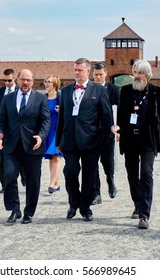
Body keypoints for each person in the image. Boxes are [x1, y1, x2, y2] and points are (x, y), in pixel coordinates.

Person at [55, 58, 112, 222]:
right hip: (70, 140)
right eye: (75, 70)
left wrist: (104, 140)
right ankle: (74, 202)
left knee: (89, 175)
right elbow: (61, 119)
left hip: (91, 140)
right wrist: (59, 141)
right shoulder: (65, 91)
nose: (77, 73)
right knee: (70, 171)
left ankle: (85, 207)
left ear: (88, 71)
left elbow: (106, 117)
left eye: (80, 70)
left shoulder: (98, 90)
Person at [116, 59, 160, 229]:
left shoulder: (156, 93)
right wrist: (119, 130)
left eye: (139, 73)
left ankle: (144, 215)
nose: (136, 76)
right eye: (134, 72)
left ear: (147, 75)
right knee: (132, 174)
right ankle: (137, 204)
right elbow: (121, 114)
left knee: (146, 173)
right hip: (130, 138)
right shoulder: (125, 91)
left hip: (148, 139)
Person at [0, 69, 50, 224]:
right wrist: (0, 133)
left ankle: (29, 212)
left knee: (33, 181)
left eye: (29, 80)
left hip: (32, 145)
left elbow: (46, 121)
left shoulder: (40, 99)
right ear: (17, 80)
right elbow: (2, 120)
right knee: (9, 176)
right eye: (23, 79)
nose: (25, 83)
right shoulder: (8, 99)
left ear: (33, 81)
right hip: (11, 146)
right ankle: (14, 210)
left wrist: (41, 136)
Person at [91, 63, 120, 205]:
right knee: (92, 163)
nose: (98, 77)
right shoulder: (89, 89)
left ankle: (110, 180)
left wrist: (118, 126)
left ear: (105, 73)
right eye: (96, 74)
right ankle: (96, 193)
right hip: (91, 132)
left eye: (100, 74)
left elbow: (120, 109)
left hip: (108, 131)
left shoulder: (113, 90)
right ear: (92, 74)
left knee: (107, 161)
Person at [0, 68, 19, 193]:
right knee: (2, 158)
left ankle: (22, 175)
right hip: (1, 130)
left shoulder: (20, 91)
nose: (7, 83)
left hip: (16, 130)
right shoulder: (0, 92)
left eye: (9, 80)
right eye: (5, 80)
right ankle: (4, 184)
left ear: (14, 79)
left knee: (18, 156)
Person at [43, 75, 63, 194]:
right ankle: (56, 183)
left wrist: (61, 111)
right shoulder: (43, 98)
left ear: (55, 84)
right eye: (45, 81)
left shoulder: (61, 98)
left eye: (49, 82)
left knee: (56, 155)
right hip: (47, 131)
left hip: (58, 130)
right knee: (51, 157)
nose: (46, 84)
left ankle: (51, 184)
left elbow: (69, 112)